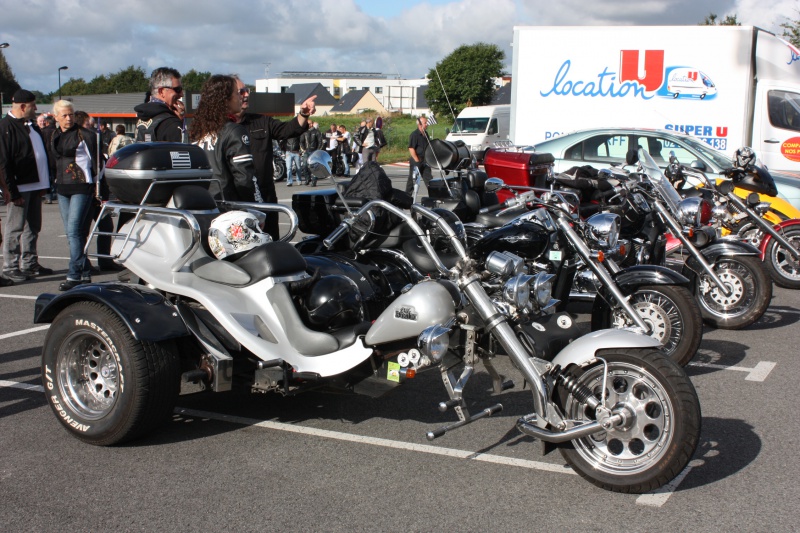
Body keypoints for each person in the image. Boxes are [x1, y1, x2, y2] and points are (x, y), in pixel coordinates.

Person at [233, 77, 315, 239]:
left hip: (265, 197)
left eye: (247, 91)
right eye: (240, 92)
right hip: (235, 200)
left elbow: (288, 130)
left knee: (271, 243)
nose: (246, 95)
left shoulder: (261, 121)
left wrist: (303, 113)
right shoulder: (219, 127)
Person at [0, 90, 54, 285]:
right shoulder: (6, 127)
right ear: (23, 106)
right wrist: (12, 191)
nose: (36, 108)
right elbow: (4, 162)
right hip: (20, 186)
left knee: (34, 227)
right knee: (15, 228)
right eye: (33, 105)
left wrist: (44, 183)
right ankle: (10, 267)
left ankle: (30, 262)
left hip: (36, 184)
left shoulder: (31, 125)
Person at [48, 100, 101, 291]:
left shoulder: (86, 135)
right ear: (56, 117)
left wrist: (100, 189)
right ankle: (85, 271)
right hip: (62, 188)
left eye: (70, 114)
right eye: (64, 115)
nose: (69, 118)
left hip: (82, 186)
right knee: (74, 233)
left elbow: (97, 163)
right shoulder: (54, 134)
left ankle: (74, 274)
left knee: (73, 230)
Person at [190, 75, 263, 202]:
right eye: (237, 93)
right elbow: (245, 179)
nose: (241, 97)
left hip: (201, 204)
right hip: (228, 208)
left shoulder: (195, 131)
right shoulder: (234, 131)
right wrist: (258, 208)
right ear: (226, 99)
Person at [134, 67, 184, 142]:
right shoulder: (171, 124)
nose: (181, 94)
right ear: (161, 91)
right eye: (178, 90)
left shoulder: (142, 119)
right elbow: (181, 151)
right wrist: (178, 123)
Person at [407, 116, 432, 194]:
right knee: (412, 180)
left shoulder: (426, 134)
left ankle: (433, 195)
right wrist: (417, 160)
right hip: (417, 160)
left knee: (429, 179)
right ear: (420, 124)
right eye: (425, 123)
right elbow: (411, 148)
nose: (427, 124)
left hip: (425, 160)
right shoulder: (414, 135)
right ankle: (407, 197)